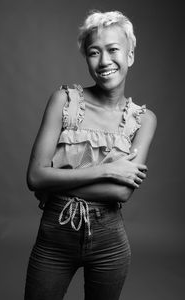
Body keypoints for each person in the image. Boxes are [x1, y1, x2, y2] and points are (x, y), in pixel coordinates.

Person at [24, 10, 157, 300]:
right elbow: (35, 177)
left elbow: (121, 193)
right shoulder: (64, 101)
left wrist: (55, 176)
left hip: (110, 240)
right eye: (94, 52)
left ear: (130, 56)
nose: (104, 61)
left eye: (113, 50)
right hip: (55, 235)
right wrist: (108, 170)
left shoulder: (144, 120)